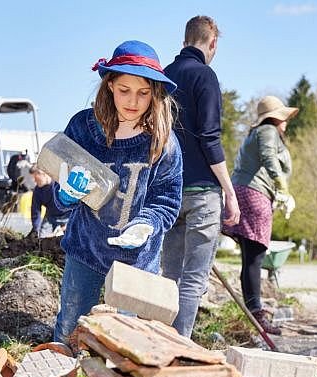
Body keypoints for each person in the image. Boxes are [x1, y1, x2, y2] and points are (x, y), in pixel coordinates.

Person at [51, 40, 183, 350]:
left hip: (136, 262)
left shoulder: (164, 143)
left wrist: (146, 224)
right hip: (86, 250)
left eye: (143, 93)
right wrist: (67, 194)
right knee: (70, 329)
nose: (133, 101)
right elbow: (57, 189)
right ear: (110, 84)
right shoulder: (83, 128)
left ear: (155, 93)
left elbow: (166, 200)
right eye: (125, 90)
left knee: (128, 345)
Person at [160, 15, 240, 337]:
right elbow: (209, 137)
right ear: (213, 43)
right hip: (201, 191)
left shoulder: (163, 77)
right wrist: (229, 191)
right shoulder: (205, 76)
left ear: (184, 41)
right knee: (193, 278)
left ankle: (158, 343)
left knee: (169, 275)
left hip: (167, 189)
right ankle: (179, 348)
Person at [222, 95, 298, 335]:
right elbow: (268, 156)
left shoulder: (255, 133)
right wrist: (282, 185)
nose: (285, 122)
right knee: (255, 256)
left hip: (243, 191)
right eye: (283, 117)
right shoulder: (268, 130)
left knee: (250, 257)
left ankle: (253, 314)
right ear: (276, 118)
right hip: (254, 194)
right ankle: (257, 316)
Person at [28, 166, 69, 238]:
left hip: (67, 215)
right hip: (51, 217)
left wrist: (70, 224)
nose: (34, 181)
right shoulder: (37, 191)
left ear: (43, 174)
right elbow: (36, 211)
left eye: (36, 178)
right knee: (42, 238)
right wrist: (36, 228)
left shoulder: (59, 184)